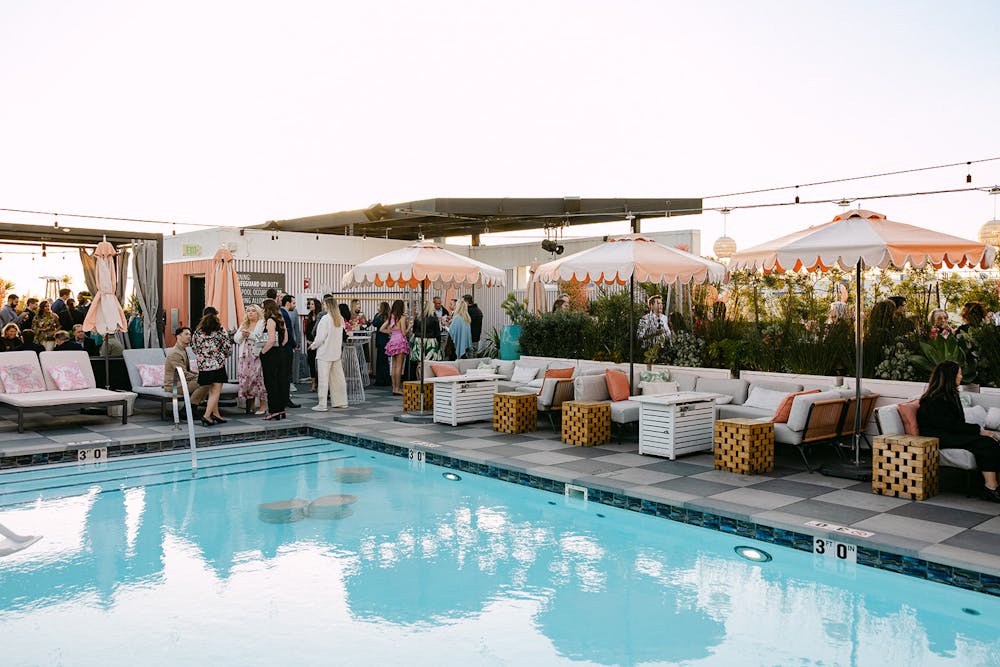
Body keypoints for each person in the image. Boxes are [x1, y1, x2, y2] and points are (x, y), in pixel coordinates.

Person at [917, 360, 1000, 502]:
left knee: (988, 441)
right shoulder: (935, 399)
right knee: (986, 443)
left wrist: (977, 431)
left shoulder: (951, 395)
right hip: (938, 437)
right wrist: (979, 431)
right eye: (959, 373)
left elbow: (956, 424)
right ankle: (990, 487)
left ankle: (991, 485)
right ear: (951, 376)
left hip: (949, 433)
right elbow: (950, 425)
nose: (961, 376)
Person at [191, 310, 232, 427]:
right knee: (216, 392)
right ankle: (207, 415)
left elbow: (194, 348)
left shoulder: (198, 332)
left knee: (211, 391)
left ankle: (216, 414)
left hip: (203, 366)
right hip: (217, 365)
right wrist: (223, 355)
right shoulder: (220, 330)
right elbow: (227, 347)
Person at [310, 296, 348, 411]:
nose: (323, 306)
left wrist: (313, 345)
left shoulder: (325, 319)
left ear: (328, 305)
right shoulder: (339, 319)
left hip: (324, 353)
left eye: (324, 304)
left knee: (323, 379)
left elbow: (320, 337)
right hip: (336, 353)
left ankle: (322, 404)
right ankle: (341, 401)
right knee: (338, 379)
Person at [163, 326, 209, 415]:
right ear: (178, 336)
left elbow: (188, 370)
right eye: (186, 334)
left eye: (190, 334)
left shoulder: (183, 350)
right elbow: (182, 373)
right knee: (204, 381)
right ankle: (188, 410)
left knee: (206, 379)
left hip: (182, 382)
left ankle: (194, 407)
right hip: (174, 385)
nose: (189, 337)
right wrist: (200, 377)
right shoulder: (175, 353)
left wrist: (200, 374)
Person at [233, 304, 268, 415]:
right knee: (247, 380)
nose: (251, 313)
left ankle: (263, 405)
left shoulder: (262, 323)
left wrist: (250, 334)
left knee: (258, 379)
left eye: (253, 311)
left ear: (258, 312)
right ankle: (251, 405)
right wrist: (243, 335)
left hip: (256, 355)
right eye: (248, 311)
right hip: (244, 356)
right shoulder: (244, 324)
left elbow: (261, 338)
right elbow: (236, 339)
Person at [260, 298, 288, 420]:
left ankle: (274, 411)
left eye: (262, 308)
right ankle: (281, 410)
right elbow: (285, 339)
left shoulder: (270, 321)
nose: (262, 310)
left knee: (271, 383)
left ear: (267, 308)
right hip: (281, 353)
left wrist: (262, 351)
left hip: (271, 355)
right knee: (280, 382)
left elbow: (271, 340)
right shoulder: (281, 319)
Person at [381, 299, 409, 395]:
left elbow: (381, 329)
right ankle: (397, 388)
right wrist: (410, 327)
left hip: (392, 342)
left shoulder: (391, 317)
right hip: (400, 342)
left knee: (393, 366)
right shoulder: (402, 318)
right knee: (399, 367)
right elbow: (404, 333)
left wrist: (391, 332)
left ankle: (394, 387)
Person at [410, 300, 442, 375]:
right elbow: (437, 333)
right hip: (431, 342)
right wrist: (439, 345)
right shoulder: (434, 318)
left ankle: (419, 379)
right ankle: (427, 379)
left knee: (419, 363)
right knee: (430, 363)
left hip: (418, 341)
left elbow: (414, 331)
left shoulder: (418, 318)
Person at [279, 294, 300, 408]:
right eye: (293, 303)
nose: (294, 305)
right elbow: (288, 332)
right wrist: (294, 344)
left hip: (283, 347)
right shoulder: (285, 314)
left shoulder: (281, 313)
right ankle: (286, 399)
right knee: (286, 374)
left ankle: (284, 398)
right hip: (287, 348)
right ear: (288, 303)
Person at [371, 301, 391, 386]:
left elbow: (374, 323)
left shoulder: (379, 316)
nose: (377, 306)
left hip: (380, 339)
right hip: (387, 339)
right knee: (385, 361)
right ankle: (386, 379)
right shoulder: (388, 317)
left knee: (380, 361)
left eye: (378, 305)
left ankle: (380, 379)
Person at [303, 298, 321, 392]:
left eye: (312, 304)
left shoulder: (321, 316)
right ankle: (313, 383)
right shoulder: (308, 316)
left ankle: (319, 382)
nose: (310, 306)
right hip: (310, 342)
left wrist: (316, 341)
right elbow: (307, 330)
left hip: (318, 342)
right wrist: (308, 341)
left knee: (319, 363)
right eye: (309, 304)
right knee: (311, 362)